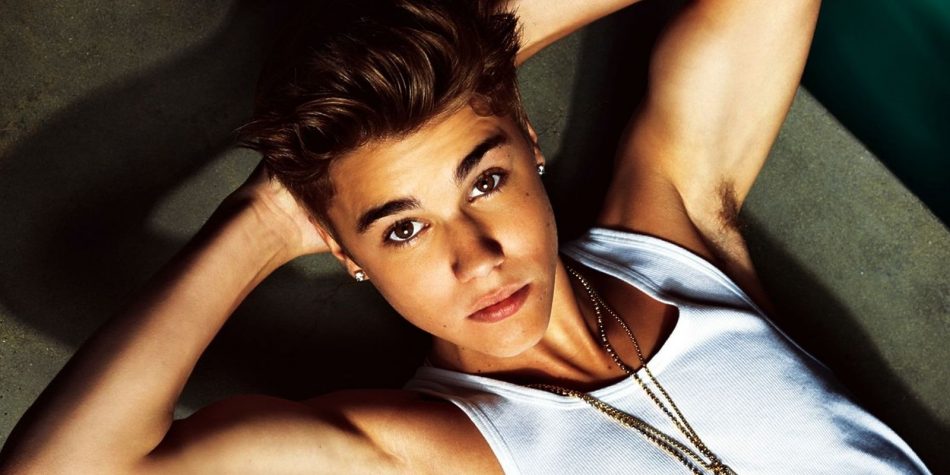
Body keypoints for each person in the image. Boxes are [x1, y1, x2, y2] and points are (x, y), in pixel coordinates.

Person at [0, 0, 931, 473]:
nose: (477, 256)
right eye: (402, 228)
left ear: (528, 139)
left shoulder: (676, 236)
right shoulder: (423, 451)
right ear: (346, 251)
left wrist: (479, 45)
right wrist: (264, 221)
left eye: (484, 179)